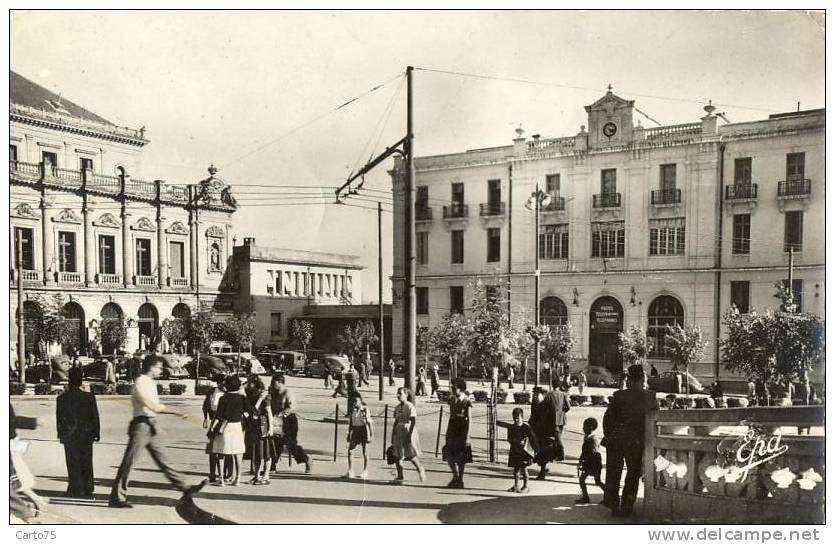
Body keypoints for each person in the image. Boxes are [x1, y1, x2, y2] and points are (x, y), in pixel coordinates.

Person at [109, 355, 207, 507]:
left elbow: (153, 409)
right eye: (159, 367)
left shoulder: (150, 383)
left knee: (164, 459)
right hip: (141, 425)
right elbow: (152, 406)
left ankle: (185, 487)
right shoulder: (141, 382)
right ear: (151, 367)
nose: (161, 370)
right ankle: (117, 497)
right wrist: (176, 412)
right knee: (129, 461)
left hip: (150, 423)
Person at [602, 364, 658, 517]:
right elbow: (655, 420)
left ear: (630, 380)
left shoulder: (619, 395)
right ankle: (627, 505)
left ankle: (613, 504)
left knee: (614, 472)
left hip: (616, 440)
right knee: (633, 473)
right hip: (636, 442)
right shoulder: (650, 396)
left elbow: (607, 419)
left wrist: (610, 435)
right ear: (642, 378)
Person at [57, 367, 100, 498]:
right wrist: (96, 432)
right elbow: (95, 416)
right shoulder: (89, 397)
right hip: (86, 434)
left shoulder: (62, 398)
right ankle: (88, 489)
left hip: (70, 434)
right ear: (81, 381)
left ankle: (75, 488)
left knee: (72, 461)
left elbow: (59, 418)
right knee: (87, 461)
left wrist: (61, 434)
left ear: (69, 380)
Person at [269, 375, 313, 474]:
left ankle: (306, 459)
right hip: (277, 420)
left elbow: (292, 407)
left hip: (289, 421)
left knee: (291, 444)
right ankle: (272, 466)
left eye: (274, 382)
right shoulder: (273, 392)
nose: (272, 384)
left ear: (280, 382)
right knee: (275, 443)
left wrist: (282, 413)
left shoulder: (288, 392)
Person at [210, 375, 249, 486]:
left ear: (227, 386)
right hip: (237, 426)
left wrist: (213, 427)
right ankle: (238, 478)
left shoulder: (223, 398)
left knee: (221, 452)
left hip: (225, 426)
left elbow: (218, 415)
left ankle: (221, 478)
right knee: (237, 452)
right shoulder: (242, 398)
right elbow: (250, 411)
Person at [530, 377, 570, 480]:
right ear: (560, 385)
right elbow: (568, 407)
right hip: (561, 420)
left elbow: (543, 408)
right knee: (556, 437)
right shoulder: (563, 394)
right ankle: (558, 451)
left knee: (547, 443)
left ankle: (560, 450)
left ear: (552, 385)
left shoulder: (549, 395)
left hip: (551, 422)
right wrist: (560, 412)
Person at [390, 387, 426, 484]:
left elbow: (413, 421)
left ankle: (420, 469)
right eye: (397, 393)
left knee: (410, 454)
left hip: (407, 429)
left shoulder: (410, 406)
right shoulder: (397, 407)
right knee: (397, 454)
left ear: (406, 395)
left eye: (400, 394)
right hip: (399, 430)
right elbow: (396, 421)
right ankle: (400, 476)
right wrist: (393, 434)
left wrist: (410, 435)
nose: (398, 396)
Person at [443, 378, 472, 488]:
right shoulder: (452, 400)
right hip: (452, 430)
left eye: (454, 388)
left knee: (461, 458)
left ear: (461, 388)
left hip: (462, 431)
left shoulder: (466, 401)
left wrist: (467, 436)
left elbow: (469, 419)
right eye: (452, 388)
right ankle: (455, 476)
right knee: (449, 455)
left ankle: (460, 480)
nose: (452, 390)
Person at [249, 380, 276, 485]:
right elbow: (253, 412)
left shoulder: (265, 397)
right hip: (255, 427)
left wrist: (271, 428)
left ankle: (266, 476)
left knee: (266, 453)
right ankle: (256, 476)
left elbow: (269, 413)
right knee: (258, 453)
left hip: (263, 427)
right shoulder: (254, 397)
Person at [201, 375, 227, 484]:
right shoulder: (211, 392)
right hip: (213, 420)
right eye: (222, 383)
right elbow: (205, 405)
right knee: (212, 450)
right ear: (218, 383)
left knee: (224, 449)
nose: (224, 385)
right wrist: (205, 418)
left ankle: (224, 474)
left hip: (225, 422)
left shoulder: (228, 393)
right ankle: (212, 474)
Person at [507, 407, 537, 493]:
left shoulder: (526, 428)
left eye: (518, 418)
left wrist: (534, 451)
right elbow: (509, 438)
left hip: (524, 452)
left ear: (522, 417)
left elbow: (532, 440)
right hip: (515, 451)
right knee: (516, 469)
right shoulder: (511, 427)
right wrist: (515, 441)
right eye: (514, 418)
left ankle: (526, 486)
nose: (516, 420)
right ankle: (516, 485)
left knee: (524, 469)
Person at [345, 393, 373, 479]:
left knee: (365, 452)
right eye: (354, 401)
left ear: (361, 401)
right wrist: (349, 433)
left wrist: (371, 434)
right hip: (355, 431)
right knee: (350, 451)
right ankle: (350, 470)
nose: (355, 403)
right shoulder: (352, 411)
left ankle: (365, 470)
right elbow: (351, 424)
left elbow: (369, 423)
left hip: (363, 430)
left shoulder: (364, 410)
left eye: (356, 401)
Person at [576, 417, 603, 504]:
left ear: (590, 427)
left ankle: (586, 498)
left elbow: (592, 453)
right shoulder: (588, 437)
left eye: (585, 426)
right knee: (595, 481)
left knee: (595, 481)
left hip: (593, 463)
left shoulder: (592, 439)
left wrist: (584, 462)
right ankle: (586, 497)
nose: (583, 428)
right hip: (592, 463)